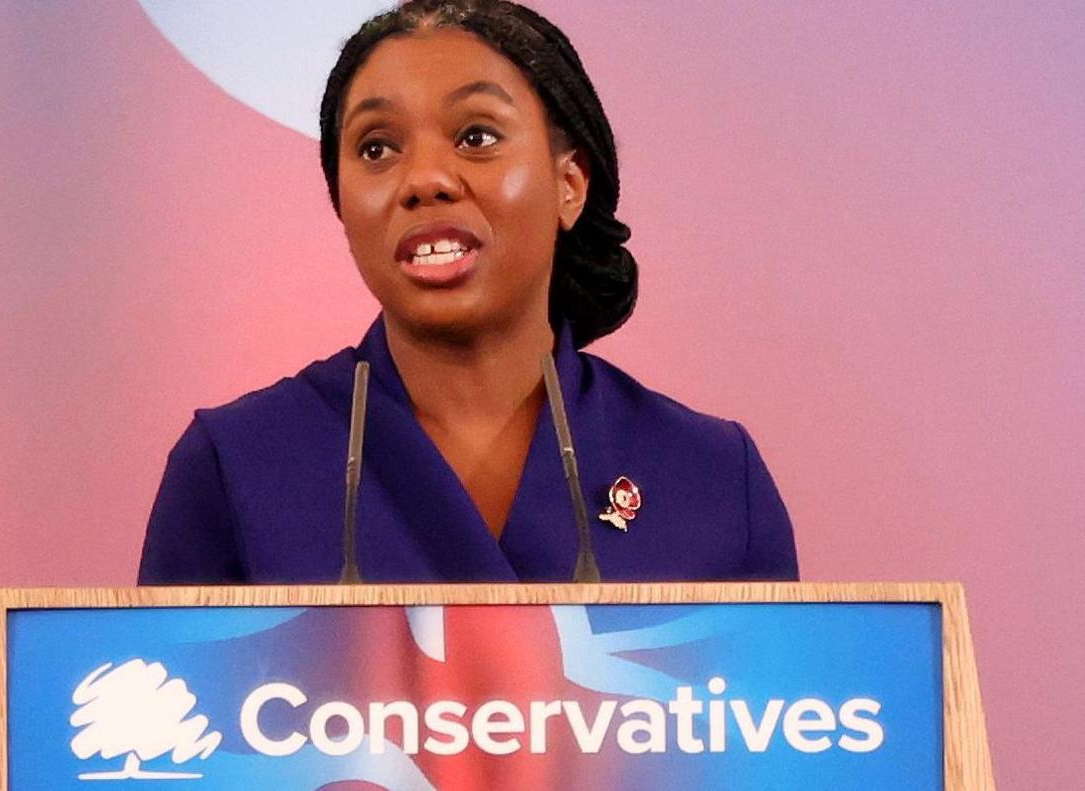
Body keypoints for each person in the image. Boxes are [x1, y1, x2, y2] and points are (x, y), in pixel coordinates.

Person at [138, 0, 797, 585]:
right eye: (375, 148)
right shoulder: (236, 465)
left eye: (476, 137)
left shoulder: (711, 474)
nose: (424, 178)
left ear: (569, 184)